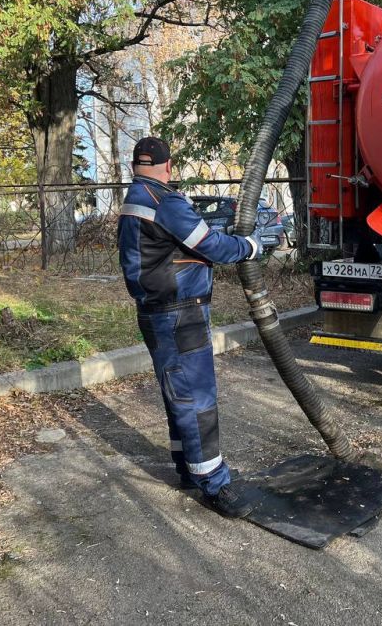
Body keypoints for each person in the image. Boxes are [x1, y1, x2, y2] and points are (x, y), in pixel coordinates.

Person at [117, 136, 264, 518]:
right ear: (168, 166)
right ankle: (214, 483)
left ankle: (188, 468)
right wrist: (249, 246)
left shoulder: (135, 197)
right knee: (197, 398)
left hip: (156, 311)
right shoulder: (163, 200)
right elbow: (210, 245)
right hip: (180, 312)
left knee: (176, 392)